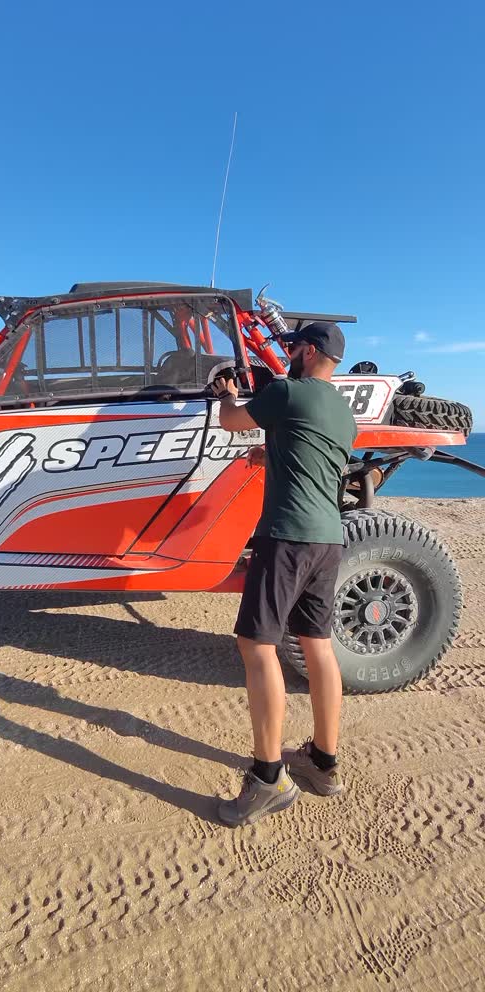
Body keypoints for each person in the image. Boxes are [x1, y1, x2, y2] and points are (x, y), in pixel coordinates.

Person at [210, 322, 357, 827]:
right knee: (316, 645)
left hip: (287, 537)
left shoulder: (286, 390)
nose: (288, 352)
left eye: (293, 346)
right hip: (327, 540)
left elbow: (232, 420)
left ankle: (267, 778)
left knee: (256, 646)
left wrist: (227, 394)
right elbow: (309, 457)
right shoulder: (342, 412)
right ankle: (323, 762)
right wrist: (269, 451)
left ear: (308, 351)